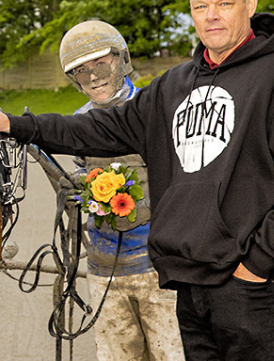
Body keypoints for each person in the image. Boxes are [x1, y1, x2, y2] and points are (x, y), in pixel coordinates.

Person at [0, 0, 274, 361]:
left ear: (249, 5)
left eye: (224, 4)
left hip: (251, 288)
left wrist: (259, 261)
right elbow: (96, 129)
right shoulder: (173, 86)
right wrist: (10, 123)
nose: (211, 16)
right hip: (189, 286)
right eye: (201, 7)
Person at [59, 20, 184, 361]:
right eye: (81, 71)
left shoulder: (158, 111)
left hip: (160, 271)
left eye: (101, 63)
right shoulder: (79, 123)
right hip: (105, 271)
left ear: (121, 58)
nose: (94, 76)